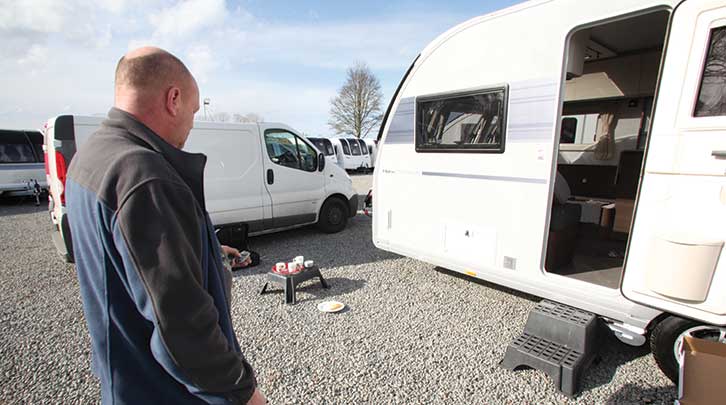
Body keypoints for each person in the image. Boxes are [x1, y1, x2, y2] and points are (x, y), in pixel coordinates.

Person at [66, 47, 266, 405]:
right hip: (165, 392)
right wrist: (243, 393)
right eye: (192, 111)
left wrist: (202, 249)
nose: (191, 124)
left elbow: (127, 255)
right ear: (173, 99)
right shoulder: (144, 177)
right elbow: (181, 324)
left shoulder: (92, 156)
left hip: (125, 380)